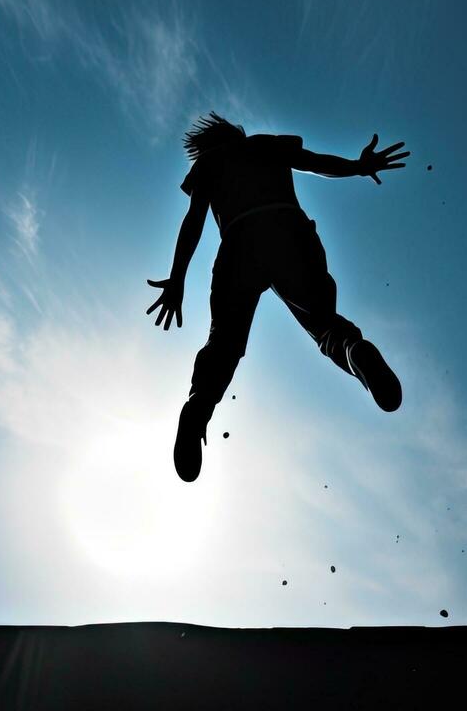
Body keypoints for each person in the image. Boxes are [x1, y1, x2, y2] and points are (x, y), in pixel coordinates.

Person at [147, 112, 410, 482]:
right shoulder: (268, 144)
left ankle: (198, 408)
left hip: (239, 243)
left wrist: (177, 279)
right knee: (326, 325)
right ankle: (355, 352)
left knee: (225, 342)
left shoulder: (209, 163)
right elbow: (317, 164)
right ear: (237, 132)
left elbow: (194, 220)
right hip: (288, 230)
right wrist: (358, 166)